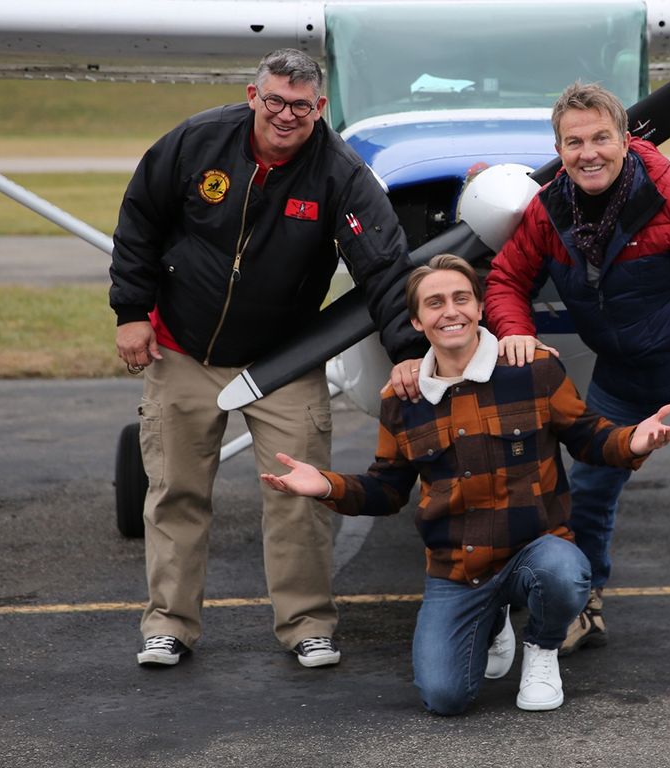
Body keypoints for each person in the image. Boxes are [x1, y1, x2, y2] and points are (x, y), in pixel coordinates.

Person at [432, 82, 670, 699]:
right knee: (584, 492)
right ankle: (582, 607)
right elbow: (507, 279)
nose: (588, 153)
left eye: (600, 139)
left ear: (626, 139)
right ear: (558, 149)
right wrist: (515, 333)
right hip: (619, 377)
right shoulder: (551, 208)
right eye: (573, 142)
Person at [109, 48, 427, 670]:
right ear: (253, 95)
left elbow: (386, 269)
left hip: (285, 361)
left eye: (301, 106)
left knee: (298, 495)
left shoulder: (340, 173)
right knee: (175, 492)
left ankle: (307, 624)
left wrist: (410, 352)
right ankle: (168, 626)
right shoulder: (196, 142)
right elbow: (139, 220)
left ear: (321, 108)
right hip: (182, 350)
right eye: (275, 101)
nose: (286, 115)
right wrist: (129, 311)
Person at [262, 254, 670, 713]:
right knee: (445, 697)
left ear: (480, 308)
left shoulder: (533, 369)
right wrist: (324, 485)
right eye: (435, 303)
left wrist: (633, 441)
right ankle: (491, 617)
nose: (451, 311)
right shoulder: (402, 400)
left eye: (462, 298)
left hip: (534, 550)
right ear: (418, 322)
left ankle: (541, 649)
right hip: (458, 566)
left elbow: (588, 438)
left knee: (564, 571)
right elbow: (388, 488)